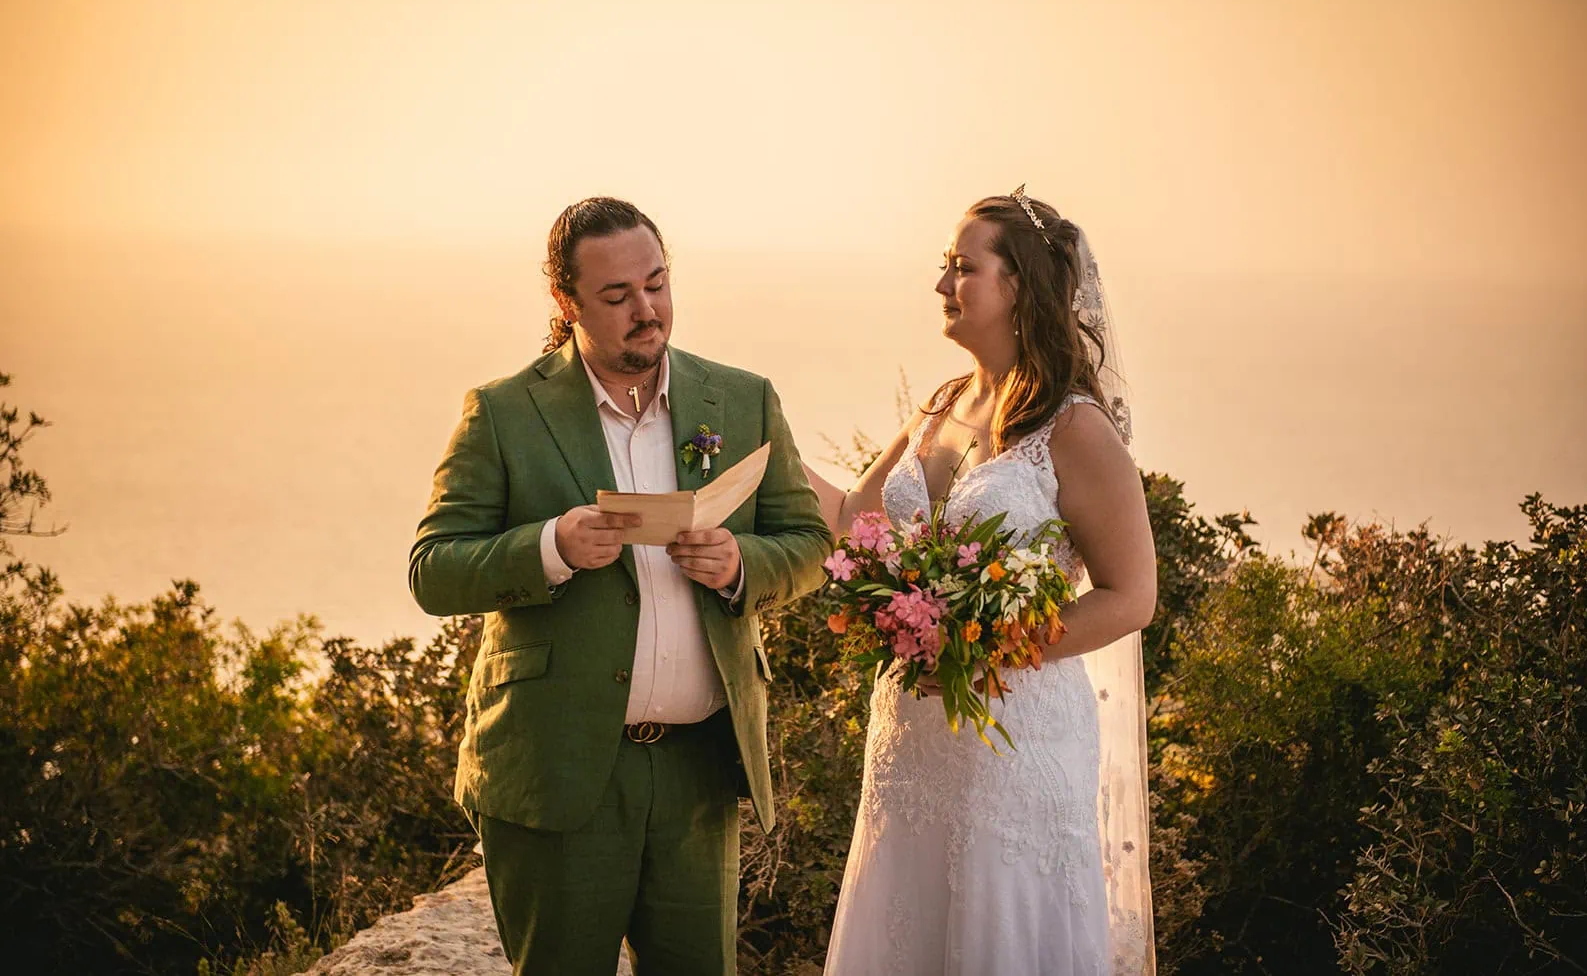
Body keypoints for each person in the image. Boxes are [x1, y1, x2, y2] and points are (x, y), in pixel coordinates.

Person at [409, 196, 831, 976]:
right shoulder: (503, 414)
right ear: (566, 302)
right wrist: (550, 546)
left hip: (699, 770)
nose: (647, 310)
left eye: (658, 283)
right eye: (617, 296)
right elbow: (433, 569)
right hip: (558, 770)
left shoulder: (741, 400)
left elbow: (809, 542)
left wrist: (741, 567)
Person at [807, 188, 1158, 974]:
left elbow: (1131, 595)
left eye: (963, 268)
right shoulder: (939, 407)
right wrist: (755, 440)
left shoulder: (1075, 428)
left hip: (1015, 740)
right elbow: (853, 520)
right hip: (913, 735)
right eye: (945, 266)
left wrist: (992, 648)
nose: (942, 286)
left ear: (1020, 288)